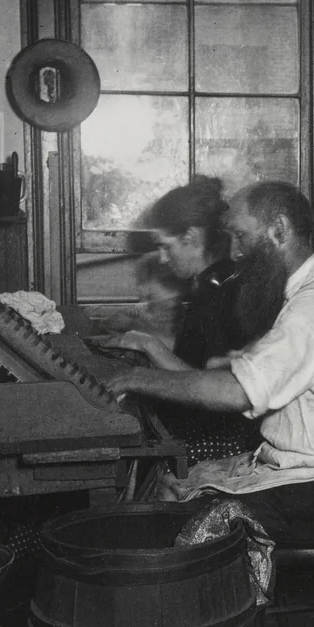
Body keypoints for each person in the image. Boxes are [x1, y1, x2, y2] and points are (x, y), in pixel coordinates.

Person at [105, 181, 314, 543]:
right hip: (306, 471)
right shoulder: (307, 294)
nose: (234, 252)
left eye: (241, 235)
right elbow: (231, 375)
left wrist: (137, 378)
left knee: (180, 523)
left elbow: (238, 392)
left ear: (279, 230)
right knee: (173, 488)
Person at [104, 176, 261, 463]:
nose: (163, 258)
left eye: (166, 246)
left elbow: (207, 381)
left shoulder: (222, 295)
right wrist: (143, 340)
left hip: (222, 441)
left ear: (191, 238)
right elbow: (195, 359)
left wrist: (148, 347)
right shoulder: (210, 283)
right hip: (209, 425)